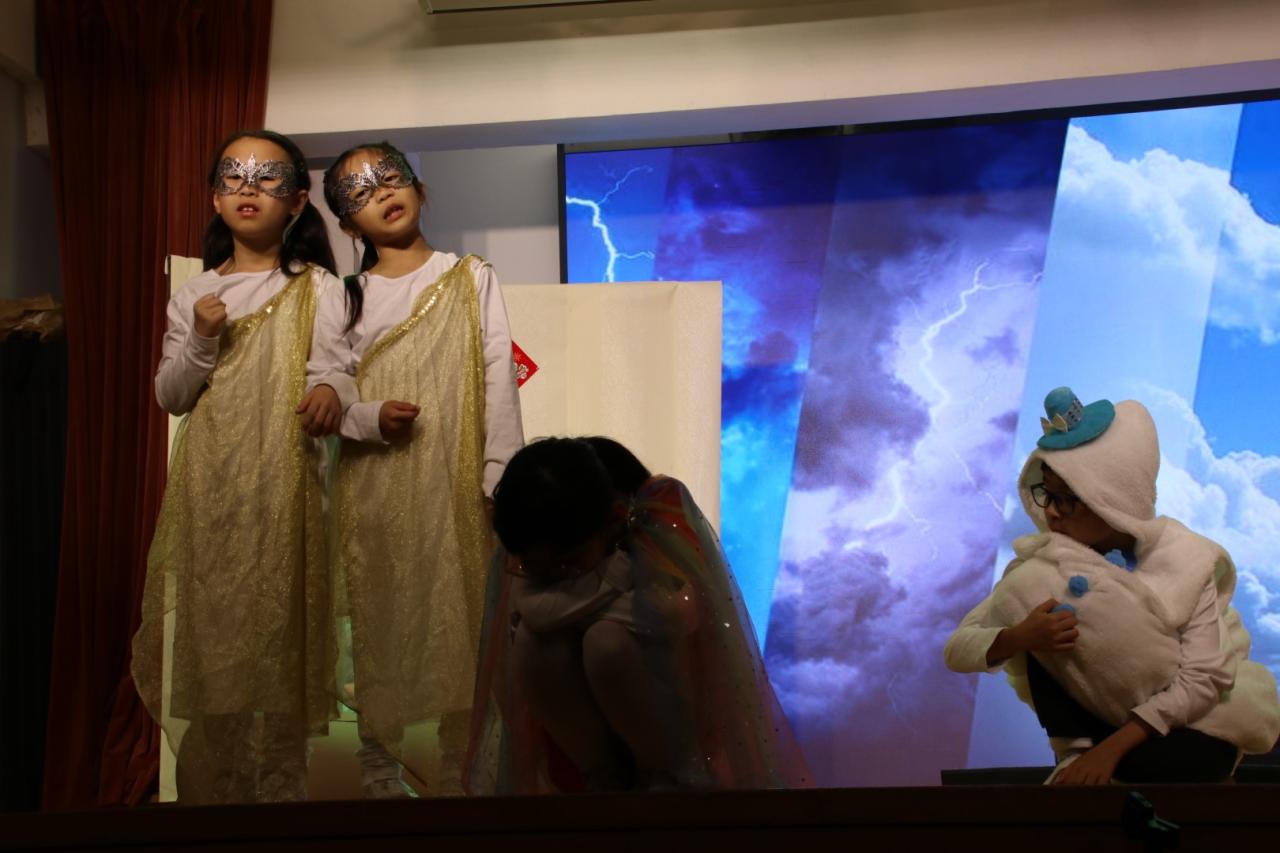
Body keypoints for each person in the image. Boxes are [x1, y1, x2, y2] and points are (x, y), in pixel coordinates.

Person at [132, 129, 343, 804]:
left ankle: (278, 803)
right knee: (215, 640)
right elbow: (171, 395)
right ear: (215, 198)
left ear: (298, 202)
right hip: (213, 490)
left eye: (267, 176)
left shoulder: (319, 287)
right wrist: (201, 336)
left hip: (287, 487)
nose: (248, 187)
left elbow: (335, 369)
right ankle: (212, 805)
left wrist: (329, 389)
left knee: (279, 645)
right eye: (233, 176)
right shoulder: (196, 293)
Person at [311, 141, 523, 797]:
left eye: (390, 176)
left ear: (419, 187)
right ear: (348, 225)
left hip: (455, 479)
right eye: (358, 191)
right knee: (379, 623)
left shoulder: (470, 277)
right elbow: (327, 388)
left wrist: (500, 477)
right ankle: (380, 773)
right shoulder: (345, 295)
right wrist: (369, 417)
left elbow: (497, 378)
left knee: (465, 621)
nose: (380, 192)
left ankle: (463, 772)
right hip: (376, 485)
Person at [945, 387, 1280, 784]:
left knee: (1200, 761)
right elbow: (958, 647)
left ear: (1113, 499)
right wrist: (1019, 637)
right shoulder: (1038, 569)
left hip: (1180, 729)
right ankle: (1075, 756)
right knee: (1033, 596)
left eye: (1067, 499)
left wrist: (1109, 754)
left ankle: (1100, 768)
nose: (1052, 511)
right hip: (1092, 735)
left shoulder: (1187, 562)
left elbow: (1203, 680)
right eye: (1046, 493)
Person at [466, 436, 811, 793]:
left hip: (681, 739)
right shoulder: (537, 530)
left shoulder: (654, 525)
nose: (554, 579)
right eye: (536, 569)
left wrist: (606, 588)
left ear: (615, 521)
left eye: (567, 565)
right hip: (581, 761)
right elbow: (535, 612)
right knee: (533, 644)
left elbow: (673, 612)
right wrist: (607, 586)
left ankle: (665, 780)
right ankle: (603, 778)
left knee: (606, 641)